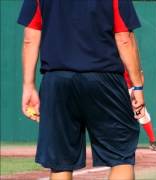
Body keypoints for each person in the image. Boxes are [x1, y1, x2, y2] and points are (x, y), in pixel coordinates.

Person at [18, 0, 145, 179]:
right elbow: (124, 38)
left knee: (60, 163)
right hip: (104, 80)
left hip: (57, 81)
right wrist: (137, 85)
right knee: (120, 158)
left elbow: (30, 38)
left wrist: (28, 85)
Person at [124, 70, 156, 151]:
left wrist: (137, 90)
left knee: (142, 114)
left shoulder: (131, 58)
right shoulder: (112, 61)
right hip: (117, 90)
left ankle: (153, 141)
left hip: (132, 90)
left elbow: (140, 75)